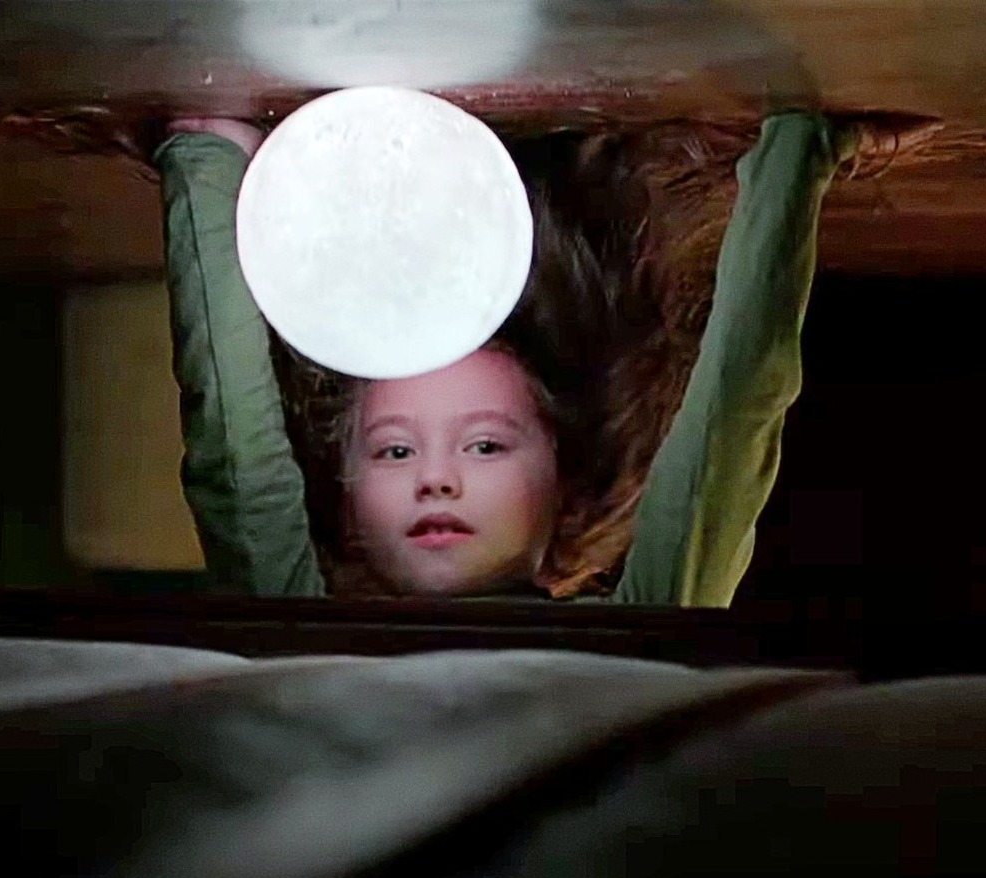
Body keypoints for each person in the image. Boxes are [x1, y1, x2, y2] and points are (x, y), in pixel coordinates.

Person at [153, 108, 859, 606]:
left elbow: (236, 466)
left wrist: (210, 167)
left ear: (560, 483)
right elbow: (730, 428)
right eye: (395, 450)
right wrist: (798, 153)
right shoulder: (643, 635)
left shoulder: (294, 628)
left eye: (485, 445)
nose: (436, 481)